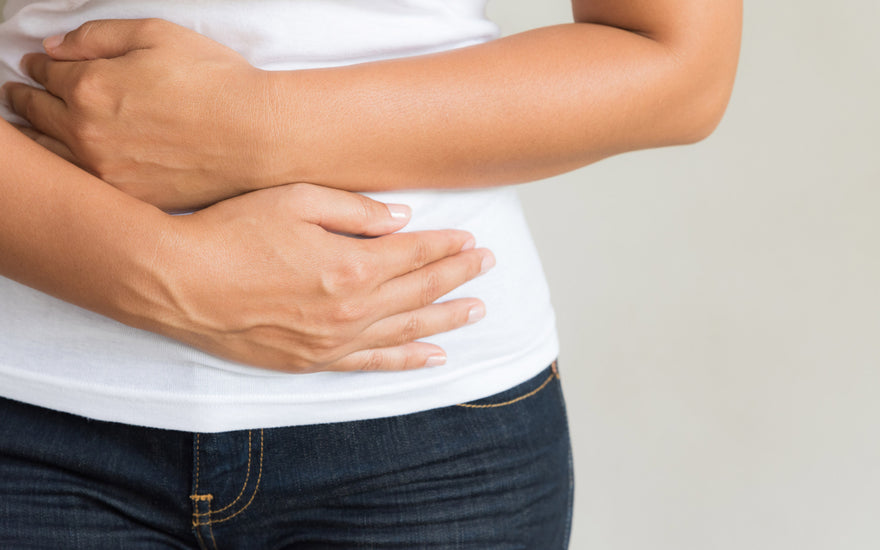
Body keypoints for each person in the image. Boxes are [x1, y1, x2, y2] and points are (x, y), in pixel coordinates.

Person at [0, 0, 742, 547]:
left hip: (436, 442)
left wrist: (259, 125)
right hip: (32, 422)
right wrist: (170, 272)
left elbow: (679, 65)